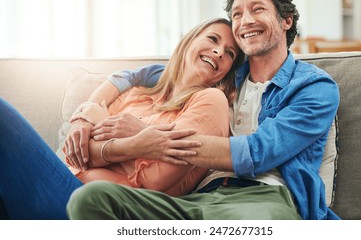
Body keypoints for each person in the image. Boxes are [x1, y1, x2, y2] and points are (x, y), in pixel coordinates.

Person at [66, 0, 340, 220]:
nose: (246, 21)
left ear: (286, 20)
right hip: (200, 197)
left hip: (264, 198)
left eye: (257, 10)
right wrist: (84, 116)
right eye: (236, 14)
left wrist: (149, 136)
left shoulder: (314, 88)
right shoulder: (224, 74)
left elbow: (257, 153)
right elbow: (139, 76)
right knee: (91, 199)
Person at [0, 17, 243, 219]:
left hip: (93, 204)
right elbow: (83, 152)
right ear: (190, 40)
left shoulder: (211, 101)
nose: (219, 52)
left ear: (228, 71)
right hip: (66, 178)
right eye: (213, 39)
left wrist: (129, 137)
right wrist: (138, 146)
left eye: (230, 53)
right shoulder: (137, 93)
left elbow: (157, 180)